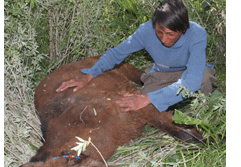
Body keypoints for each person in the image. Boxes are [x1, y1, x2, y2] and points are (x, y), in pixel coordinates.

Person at [56, 0, 217, 113]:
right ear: (154, 24)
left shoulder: (196, 33)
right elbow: (116, 53)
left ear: (183, 29)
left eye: (170, 34)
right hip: (160, 75)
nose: (163, 39)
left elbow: (192, 80)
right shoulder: (145, 31)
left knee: (204, 76)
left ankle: (200, 110)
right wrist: (90, 75)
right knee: (141, 106)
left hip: (189, 72)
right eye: (159, 32)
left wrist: (151, 98)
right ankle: (171, 104)